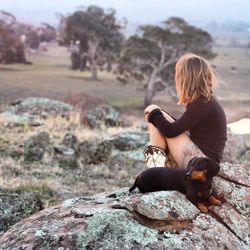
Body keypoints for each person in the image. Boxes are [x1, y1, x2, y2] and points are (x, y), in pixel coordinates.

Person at [143, 53, 227, 168]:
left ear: (186, 79)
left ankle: (156, 170)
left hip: (203, 163)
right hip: (202, 159)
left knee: (154, 113)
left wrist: (153, 113)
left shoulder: (203, 104)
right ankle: (159, 170)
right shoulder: (205, 100)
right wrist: (156, 115)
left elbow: (170, 131)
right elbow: (179, 127)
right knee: (156, 116)